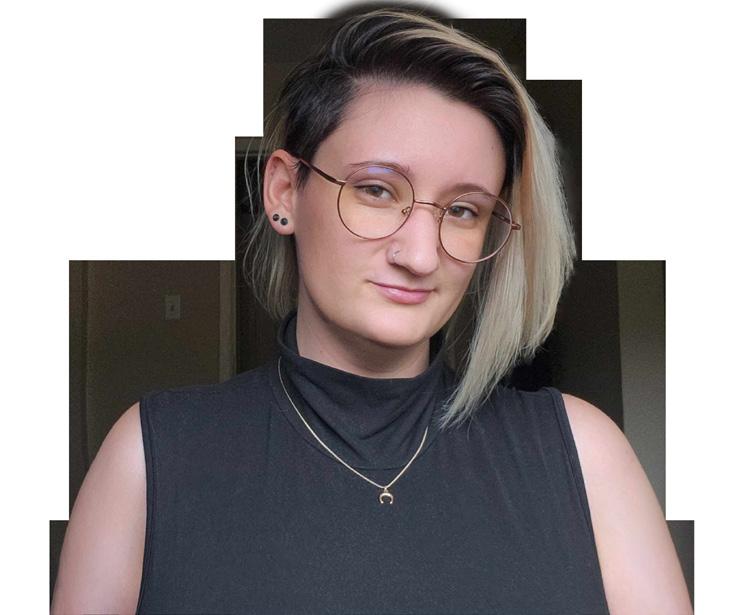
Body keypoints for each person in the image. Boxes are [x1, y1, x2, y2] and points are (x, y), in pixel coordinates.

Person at [52, 8, 693, 614]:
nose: (421, 255)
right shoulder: (150, 456)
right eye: (377, 191)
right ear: (284, 192)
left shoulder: (584, 453)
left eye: (462, 210)